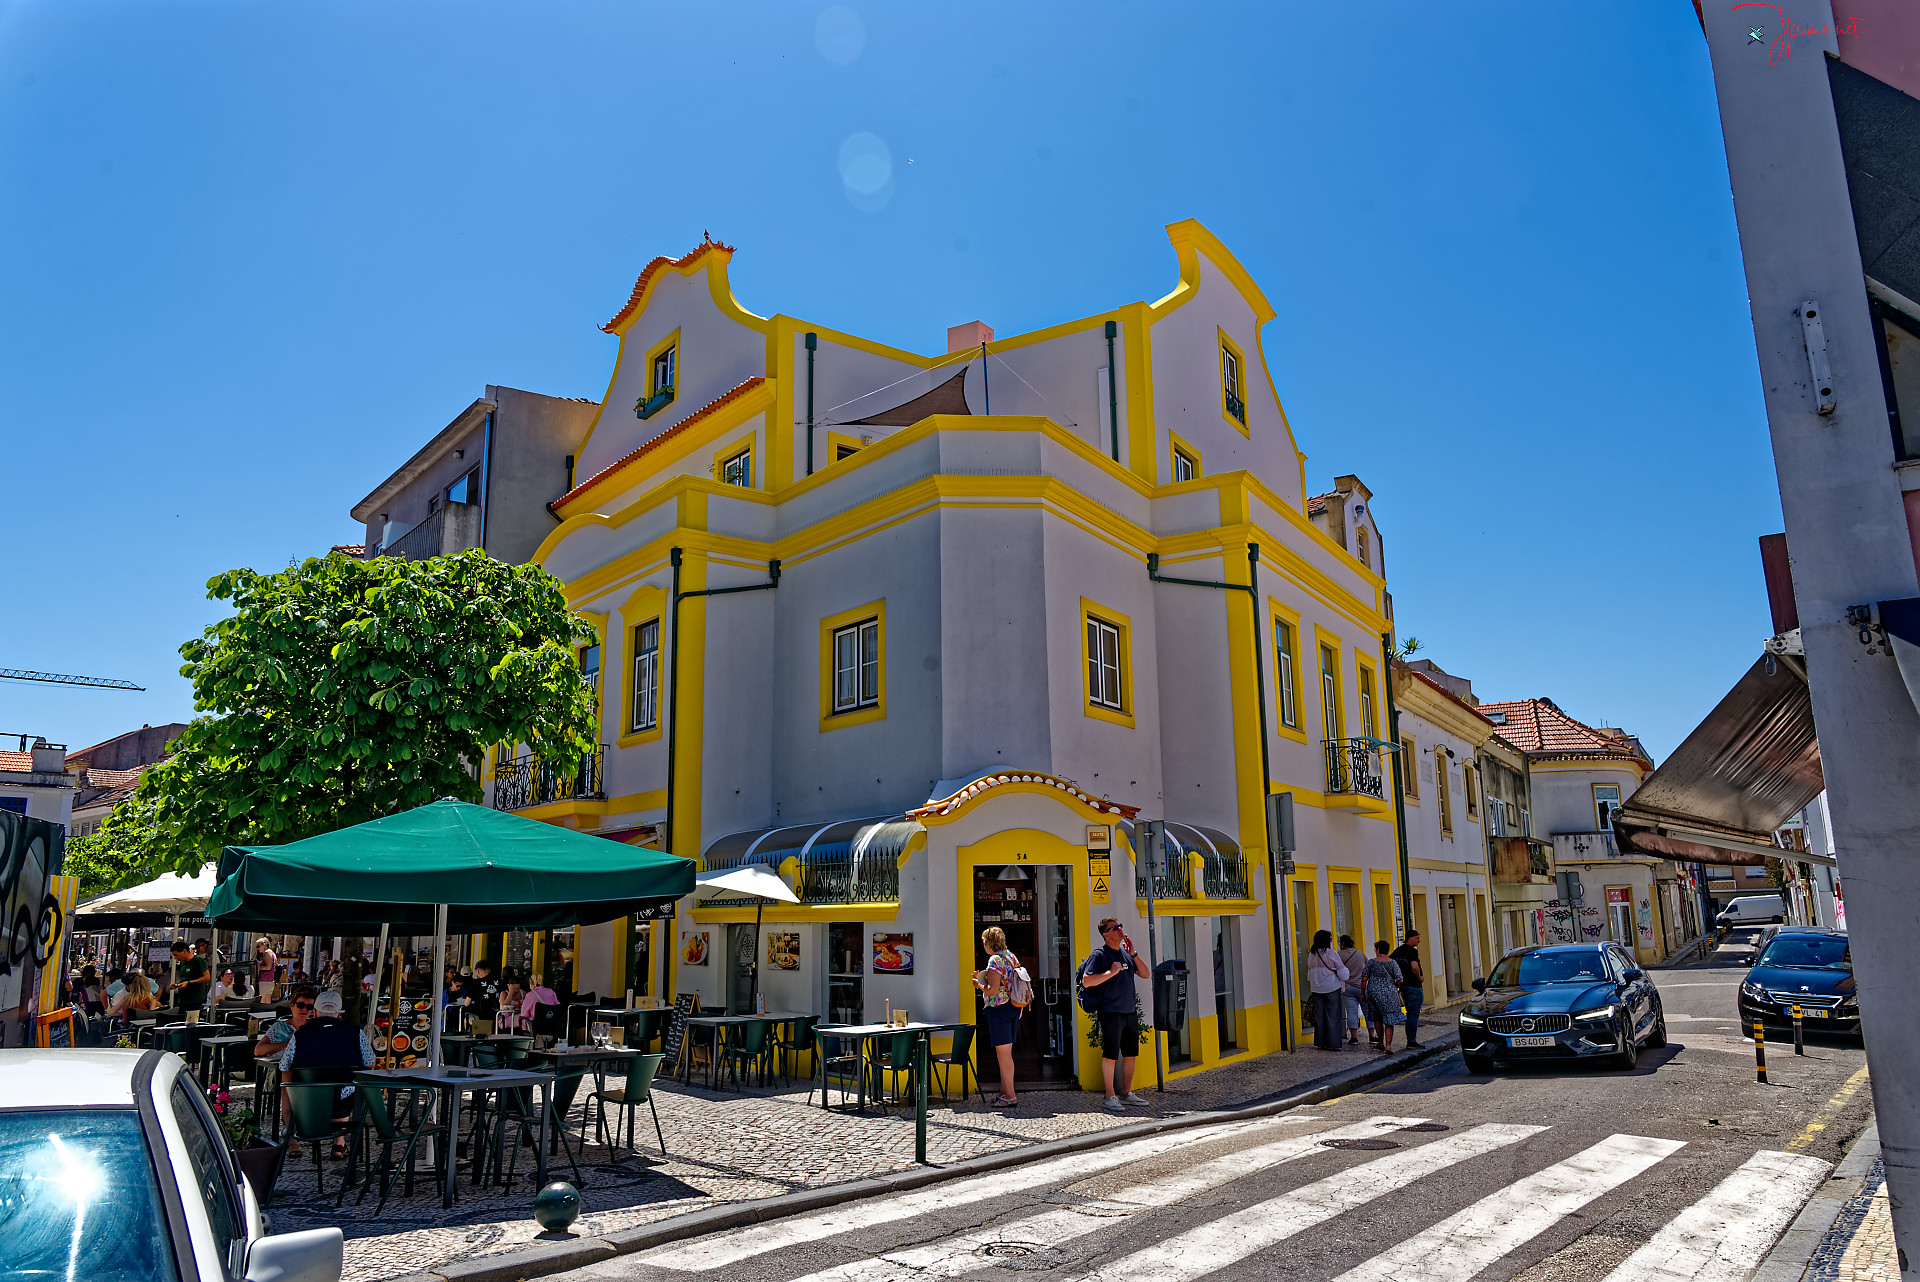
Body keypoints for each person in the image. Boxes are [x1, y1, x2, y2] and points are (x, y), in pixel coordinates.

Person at [278, 990, 375, 1155]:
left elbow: (284, 1065)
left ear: (314, 1012)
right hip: (342, 1104)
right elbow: (370, 1063)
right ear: (338, 1014)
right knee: (345, 1085)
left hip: (307, 1104)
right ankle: (338, 1143)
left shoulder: (299, 1036)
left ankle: (292, 1135)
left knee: (288, 1078)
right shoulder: (355, 1033)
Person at [1079, 917, 1150, 1112]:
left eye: (1120, 926)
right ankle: (1110, 1096)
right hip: (1111, 1012)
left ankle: (1126, 1093)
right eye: (1115, 927)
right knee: (1110, 1055)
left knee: (1130, 1054)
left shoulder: (1126, 955)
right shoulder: (1100, 955)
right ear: (1106, 934)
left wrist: (1133, 953)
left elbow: (1145, 974)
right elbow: (1087, 981)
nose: (1120, 929)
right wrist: (1111, 973)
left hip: (1129, 1011)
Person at [972, 927, 1023, 1108]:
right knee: (1006, 1053)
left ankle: (1010, 1095)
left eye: (984, 942)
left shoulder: (995, 959)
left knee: (1003, 1055)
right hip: (1013, 1007)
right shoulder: (1011, 956)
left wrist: (978, 984)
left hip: (999, 1008)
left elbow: (992, 990)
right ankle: (1004, 1091)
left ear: (988, 943)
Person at [1305, 930, 1349, 1050]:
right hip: (1331, 987)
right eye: (1330, 939)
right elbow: (1343, 973)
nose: (1331, 941)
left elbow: (1309, 973)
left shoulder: (1311, 954)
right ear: (1326, 941)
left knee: (1319, 1016)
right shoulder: (1331, 953)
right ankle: (1333, 1044)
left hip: (1316, 988)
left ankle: (1320, 1042)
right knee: (1333, 1015)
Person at [1362, 941, 1407, 1052]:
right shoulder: (1392, 963)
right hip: (1389, 992)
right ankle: (1388, 1046)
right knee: (1389, 1019)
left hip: (1373, 992)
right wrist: (1396, 986)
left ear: (1377, 950)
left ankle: (1380, 1042)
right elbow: (1400, 979)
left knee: (1377, 1018)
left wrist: (1363, 993)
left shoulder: (1371, 962)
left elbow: (1364, 979)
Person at [1392, 931, 1426, 1049]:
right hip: (1414, 986)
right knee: (1413, 1015)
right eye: (1417, 938)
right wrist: (1419, 977)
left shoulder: (1397, 951)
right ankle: (1411, 1041)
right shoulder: (1412, 951)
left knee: (1408, 1012)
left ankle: (1411, 1040)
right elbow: (1414, 967)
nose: (1419, 941)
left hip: (1403, 986)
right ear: (1410, 939)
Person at [1337, 935, 1368, 1047]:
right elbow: (1367, 967)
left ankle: (1354, 1037)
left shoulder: (1339, 955)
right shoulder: (1360, 953)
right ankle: (1373, 1035)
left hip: (1348, 986)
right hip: (1362, 987)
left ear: (1343, 944)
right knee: (1367, 1011)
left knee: (1351, 1012)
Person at [168, 940, 210, 1013]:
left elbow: (207, 977)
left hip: (194, 1000)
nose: (175, 958)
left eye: (176, 955)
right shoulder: (182, 963)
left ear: (184, 951)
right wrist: (177, 985)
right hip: (182, 1000)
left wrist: (189, 983)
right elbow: (184, 978)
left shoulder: (198, 960)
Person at [461, 960, 501, 1036]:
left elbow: (467, 1003)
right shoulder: (499, 981)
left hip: (481, 1016)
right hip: (498, 1018)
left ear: (478, 971)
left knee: (481, 1041)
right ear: (489, 970)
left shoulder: (476, 983)